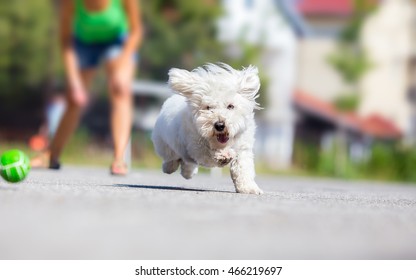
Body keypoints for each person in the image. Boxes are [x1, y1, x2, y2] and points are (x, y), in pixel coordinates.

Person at [33, 0, 143, 175]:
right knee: (74, 99)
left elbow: (136, 31)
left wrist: (121, 65)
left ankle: (119, 159)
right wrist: (74, 80)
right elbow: (66, 40)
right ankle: (51, 155)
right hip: (83, 43)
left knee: (120, 88)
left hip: (118, 41)